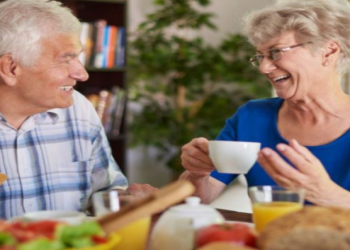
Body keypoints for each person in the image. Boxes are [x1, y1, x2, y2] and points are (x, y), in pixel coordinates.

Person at [180, 0, 350, 208]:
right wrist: (197, 174)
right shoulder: (252, 117)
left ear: (328, 52)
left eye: (276, 52)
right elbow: (199, 200)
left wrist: (328, 195)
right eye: (260, 56)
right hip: (269, 239)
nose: (264, 67)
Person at [0, 0, 156, 220]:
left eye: (78, 57)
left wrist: (125, 203)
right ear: (10, 68)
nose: (82, 74)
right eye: (67, 59)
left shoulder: (79, 109)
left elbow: (103, 193)